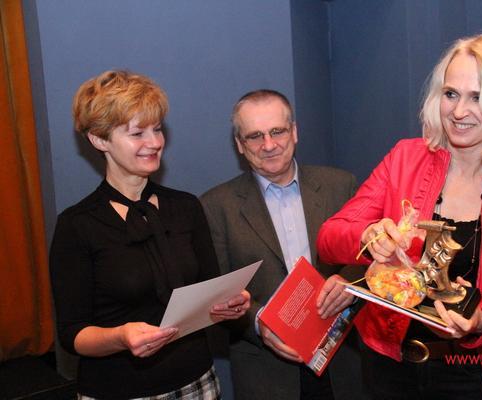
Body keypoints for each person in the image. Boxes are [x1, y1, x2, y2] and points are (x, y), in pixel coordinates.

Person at [317, 33, 482, 400]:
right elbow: (329, 237)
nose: (459, 112)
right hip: (387, 365)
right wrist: (368, 236)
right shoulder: (405, 158)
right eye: (451, 94)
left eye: (478, 97)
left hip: (468, 372)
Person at [49, 70, 251, 399]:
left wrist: (230, 306)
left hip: (197, 382)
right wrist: (120, 337)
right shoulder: (77, 225)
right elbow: (73, 334)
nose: (155, 142)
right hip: (118, 390)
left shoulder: (186, 207)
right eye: (137, 133)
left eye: (157, 129)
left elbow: (211, 294)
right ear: (99, 140)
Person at [200, 89, 369, 400]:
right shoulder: (216, 206)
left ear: (294, 132)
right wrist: (258, 323)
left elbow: (366, 261)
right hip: (266, 374)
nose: (268, 145)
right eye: (255, 136)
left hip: (341, 364)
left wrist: (349, 283)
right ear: (239, 144)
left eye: (277, 131)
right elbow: (218, 295)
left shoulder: (340, 186)